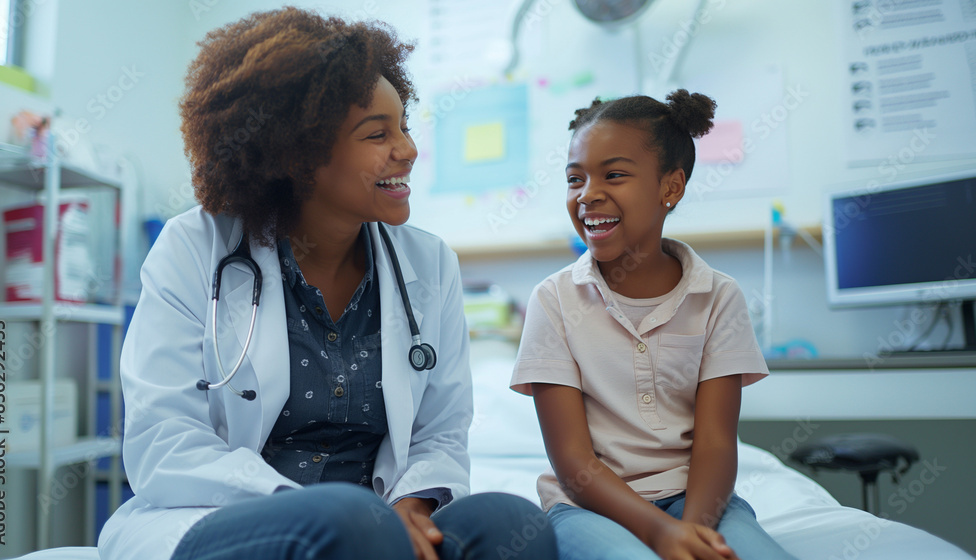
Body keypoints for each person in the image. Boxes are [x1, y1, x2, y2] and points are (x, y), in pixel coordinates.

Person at [98, 8, 556, 560]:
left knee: (509, 523)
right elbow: (163, 441)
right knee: (348, 522)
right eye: (378, 134)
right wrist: (317, 508)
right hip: (226, 516)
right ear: (301, 153)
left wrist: (410, 508)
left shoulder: (430, 263)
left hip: (375, 524)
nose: (408, 150)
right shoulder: (195, 247)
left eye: (405, 126)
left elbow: (441, 429)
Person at [509, 91, 796, 560]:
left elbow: (716, 443)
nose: (587, 194)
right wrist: (660, 536)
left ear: (671, 188)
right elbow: (573, 462)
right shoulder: (554, 300)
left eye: (614, 175)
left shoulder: (718, 297)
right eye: (574, 178)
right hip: (588, 507)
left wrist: (693, 531)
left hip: (699, 501)